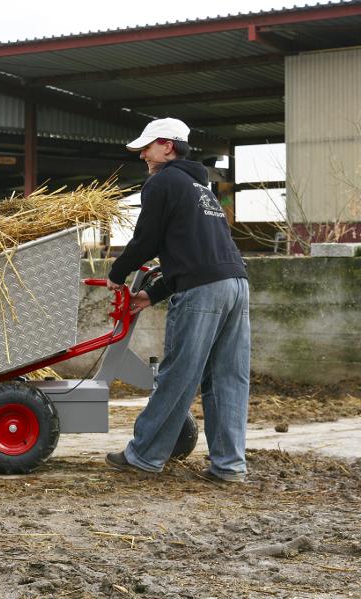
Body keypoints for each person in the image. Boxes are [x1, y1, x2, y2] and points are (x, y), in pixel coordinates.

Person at [104, 117, 250, 483]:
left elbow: (146, 240)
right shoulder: (201, 191)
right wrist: (151, 295)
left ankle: (144, 455)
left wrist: (116, 273)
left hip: (205, 290)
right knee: (227, 378)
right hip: (236, 284)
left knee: (179, 375)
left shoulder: (163, 182)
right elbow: (194, 253)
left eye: (147, 146)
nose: (142, 155)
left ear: (168, 145)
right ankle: (229, 466)